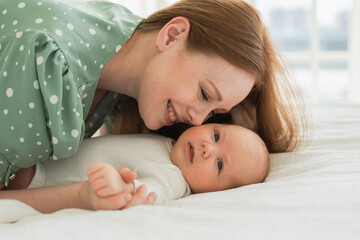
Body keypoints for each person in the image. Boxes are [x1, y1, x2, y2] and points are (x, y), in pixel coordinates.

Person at [0, 0, 308, 199]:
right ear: (171, 35)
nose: (199, 120)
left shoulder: (121, 38)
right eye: (204, 94)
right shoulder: (44, 68)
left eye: (214, 113)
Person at [0, 123, 270, 212]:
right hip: (38, 156)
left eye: (219, 164)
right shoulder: (167, 142)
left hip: (35, 178)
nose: (207, 149)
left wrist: (126, 188)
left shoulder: (173, 178)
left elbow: (149, 193)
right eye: (216, 136)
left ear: (216, 191)